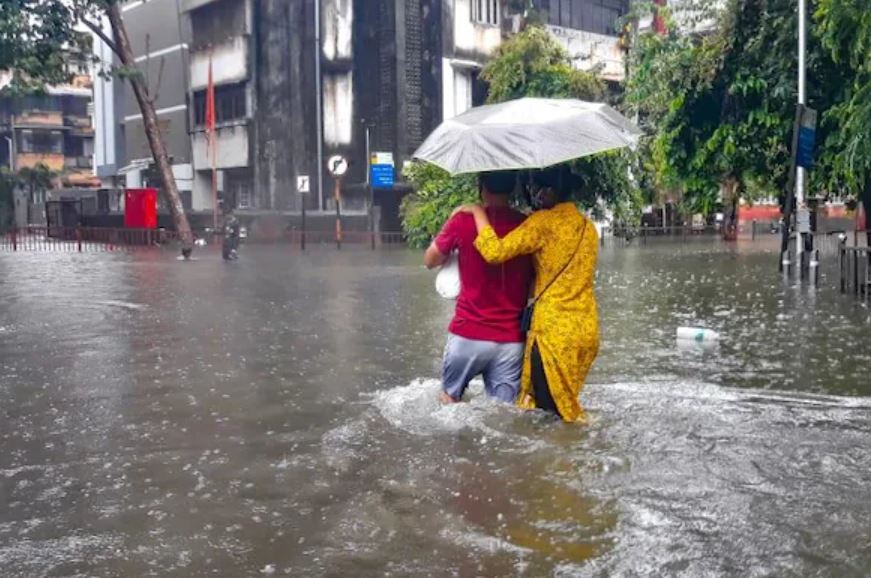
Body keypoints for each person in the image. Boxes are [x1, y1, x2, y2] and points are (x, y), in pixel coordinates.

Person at [457, 166, 599, 423]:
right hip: (585, 332)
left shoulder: (542, 223)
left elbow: (495, 252)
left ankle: (555, 464)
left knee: (549, 420)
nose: (534, 194)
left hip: (553, 334)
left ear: (549, 191)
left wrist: (478, 212)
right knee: (566, 408)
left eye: (537, 189)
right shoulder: (587, 228)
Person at [424, 171, 533, 404]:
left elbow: (430, 260)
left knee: (449, 402)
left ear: (481, 188)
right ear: (513, 189)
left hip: (468, 334)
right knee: (504, 416)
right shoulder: (527, 226)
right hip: (511, 341)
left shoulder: (463, 221)